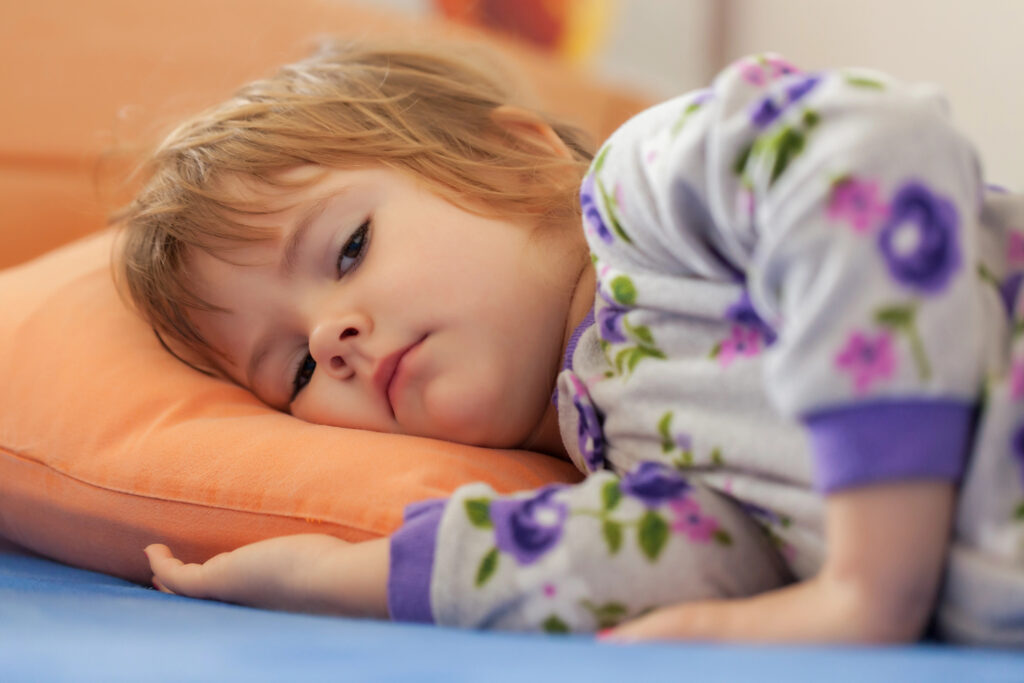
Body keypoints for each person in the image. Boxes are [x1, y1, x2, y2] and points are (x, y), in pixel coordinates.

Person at [115, 40, 1024, 646]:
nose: (331, 335)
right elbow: (695, 558)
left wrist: (870, 581)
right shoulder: (615, 453)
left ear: (519, 153)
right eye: (301, 369)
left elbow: (865, 146)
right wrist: (325, 575)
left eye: (349, 247)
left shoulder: (644, 198)